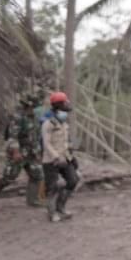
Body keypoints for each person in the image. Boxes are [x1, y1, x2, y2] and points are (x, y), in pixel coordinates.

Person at [0, 94, 44, 212]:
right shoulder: (18, 118)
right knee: (8, 178)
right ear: (29, 106)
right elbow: (12, 137)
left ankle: (32, 200)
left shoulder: (34, 118)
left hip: (32, 153)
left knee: (37, 175)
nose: (37, 108)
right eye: (35, 106)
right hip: (18, 153)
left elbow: (35, 136)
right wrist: (16, 152)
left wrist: (38, 152)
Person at [40, 92, 79, 224]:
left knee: (73, 180)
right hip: (51, 160)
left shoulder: (64, 123)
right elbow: (46, 143)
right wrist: (56, 157)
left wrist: (72, 157)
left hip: (65, 158)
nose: (68, 104)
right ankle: (52, 213)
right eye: (65, 102)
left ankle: (60, 207)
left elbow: (66, 142)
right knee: (53, 186)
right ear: (58, 105)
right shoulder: (48, 123)